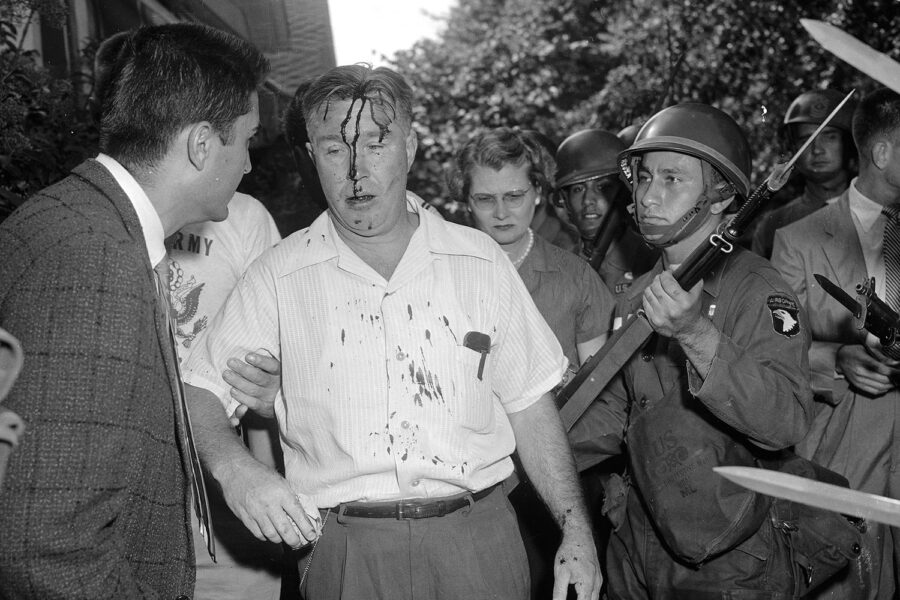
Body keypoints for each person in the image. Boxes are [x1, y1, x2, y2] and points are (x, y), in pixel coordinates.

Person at [181, 64, 602, 600]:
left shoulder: (479, 262)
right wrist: (237, 471)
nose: (356, 173)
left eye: (376, 144)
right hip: (345, 553)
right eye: (334, 149)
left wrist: (577, 532)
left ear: (411, 146)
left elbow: (530, 407)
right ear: (313, 157)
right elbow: (198, 390)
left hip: (478, 545)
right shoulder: (279, 275)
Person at [0, 23, 268, 598]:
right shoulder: (96, 263)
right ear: (200, 145)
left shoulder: (78, 222)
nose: (248, 165)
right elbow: (44, 548)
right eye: (246, 140)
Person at [569, 103, 813, 598]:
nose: (649, 195)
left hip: (727, 556)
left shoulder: (759, 290)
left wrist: (696, 334)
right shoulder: (640, 294)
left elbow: (784, 422)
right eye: (643, 178)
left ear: (721, 197)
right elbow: (615, 415)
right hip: (635, 541)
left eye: (673, 180)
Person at [447, 127, 615, 599]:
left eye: (515, 196)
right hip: (471, 486)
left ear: (539, 193)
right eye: (485, 199)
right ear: (466, 200)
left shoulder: (576, 278)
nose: (501, 213)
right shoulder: (444, 277)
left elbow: (603, 398)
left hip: (558, 482)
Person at [771, 86, 900, 599]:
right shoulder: (797, 239)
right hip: (842, 445)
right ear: (883, 152)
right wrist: (838, 358)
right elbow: (772, 351)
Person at [751, 89, 856, 258]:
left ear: (849, 143)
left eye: (830, 137)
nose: (817, 149)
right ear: (793, 149)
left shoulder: (882, 213)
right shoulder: (773, 226)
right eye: (805, 140)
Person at [554, 129, 657, 295]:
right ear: (564, 201)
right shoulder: (559, 266)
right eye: (578, 189)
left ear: (625, 193)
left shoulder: (651, 262)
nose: (588, 200)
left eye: (603, 187)